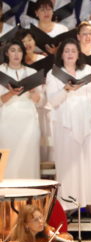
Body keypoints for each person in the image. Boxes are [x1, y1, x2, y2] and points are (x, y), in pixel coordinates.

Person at [46, 38, 91, 217]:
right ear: (61, 54)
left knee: (89, 163)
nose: (70, 54)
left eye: (73, 50)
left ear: (79, 53)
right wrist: (66, 89)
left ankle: (90, 204)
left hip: (87, 124)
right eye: (67, 51)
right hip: (66, 126)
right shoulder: (54, 74)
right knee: (68, 166)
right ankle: (68, 204)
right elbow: (52, 101)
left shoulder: (87, 71)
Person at [0, 40, 42, 180]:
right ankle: (6, 198)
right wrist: (11, 93)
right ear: (6, 53)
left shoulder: (32, 72)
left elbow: (40, 101)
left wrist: (32, 92)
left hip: (28, 121)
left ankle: (30, 197)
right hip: (6, 121)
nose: (16, 54)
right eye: (12, 50)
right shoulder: (1, 72)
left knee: (28, 158)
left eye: (19, 50)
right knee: (8, 159)